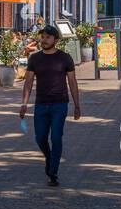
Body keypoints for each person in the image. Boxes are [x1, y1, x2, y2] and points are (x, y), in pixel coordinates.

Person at [19, 24, 81, 186]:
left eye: (48, 37)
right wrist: (24, 103)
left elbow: (72, 82)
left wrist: (77, 105)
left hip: (59, 104)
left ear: (56, 40)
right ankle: (49, 156)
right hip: (41, 104)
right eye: (43, 37)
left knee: (56, 137)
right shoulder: (35, 58)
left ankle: (53, 172)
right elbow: (28, 82)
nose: (44, 40)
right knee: (40, 138)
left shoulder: (65, 58)